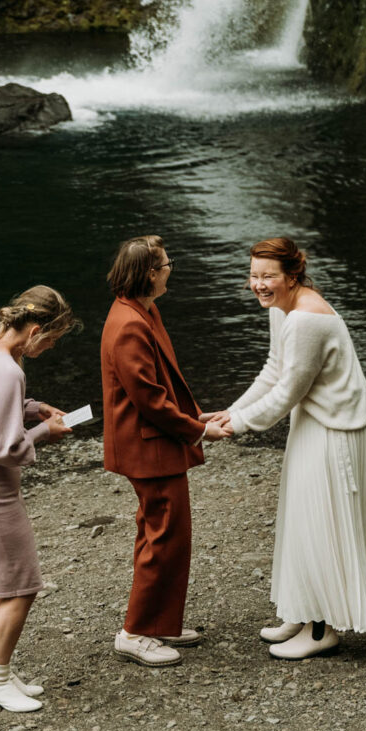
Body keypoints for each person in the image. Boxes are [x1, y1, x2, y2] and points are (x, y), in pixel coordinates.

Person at [201, 237, 366, 660]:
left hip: (335, 434)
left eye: (268, 277)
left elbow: (288, 392)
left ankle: (322, 631)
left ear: (292, 276)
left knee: (321, 524)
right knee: (301, 521)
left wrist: (237, 426)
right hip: (314, 425)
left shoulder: (306, 319)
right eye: (254, 276)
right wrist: (230, 410)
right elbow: (275, 369)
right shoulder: (284, 309)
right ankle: (302, 611)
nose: (258, 285)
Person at [101, 235, 230, 668]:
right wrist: (198, 431)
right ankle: (135, 632)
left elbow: (165, 384)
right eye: (167, 263)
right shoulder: (130, 322)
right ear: (151, 273)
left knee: (167, 534)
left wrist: (197, 414)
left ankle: (161, 622)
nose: (170, 268)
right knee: (162, 537)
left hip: (153, 444)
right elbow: (149, 400)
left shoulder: (142, 310)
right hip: (147, 449)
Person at [0, 285, 79, 712]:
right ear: (36, 329)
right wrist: (47, 431)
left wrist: (34, 408)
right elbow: (1, 448)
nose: (51, 347)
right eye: (52, 339)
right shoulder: (8, 370)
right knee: (22, 587)